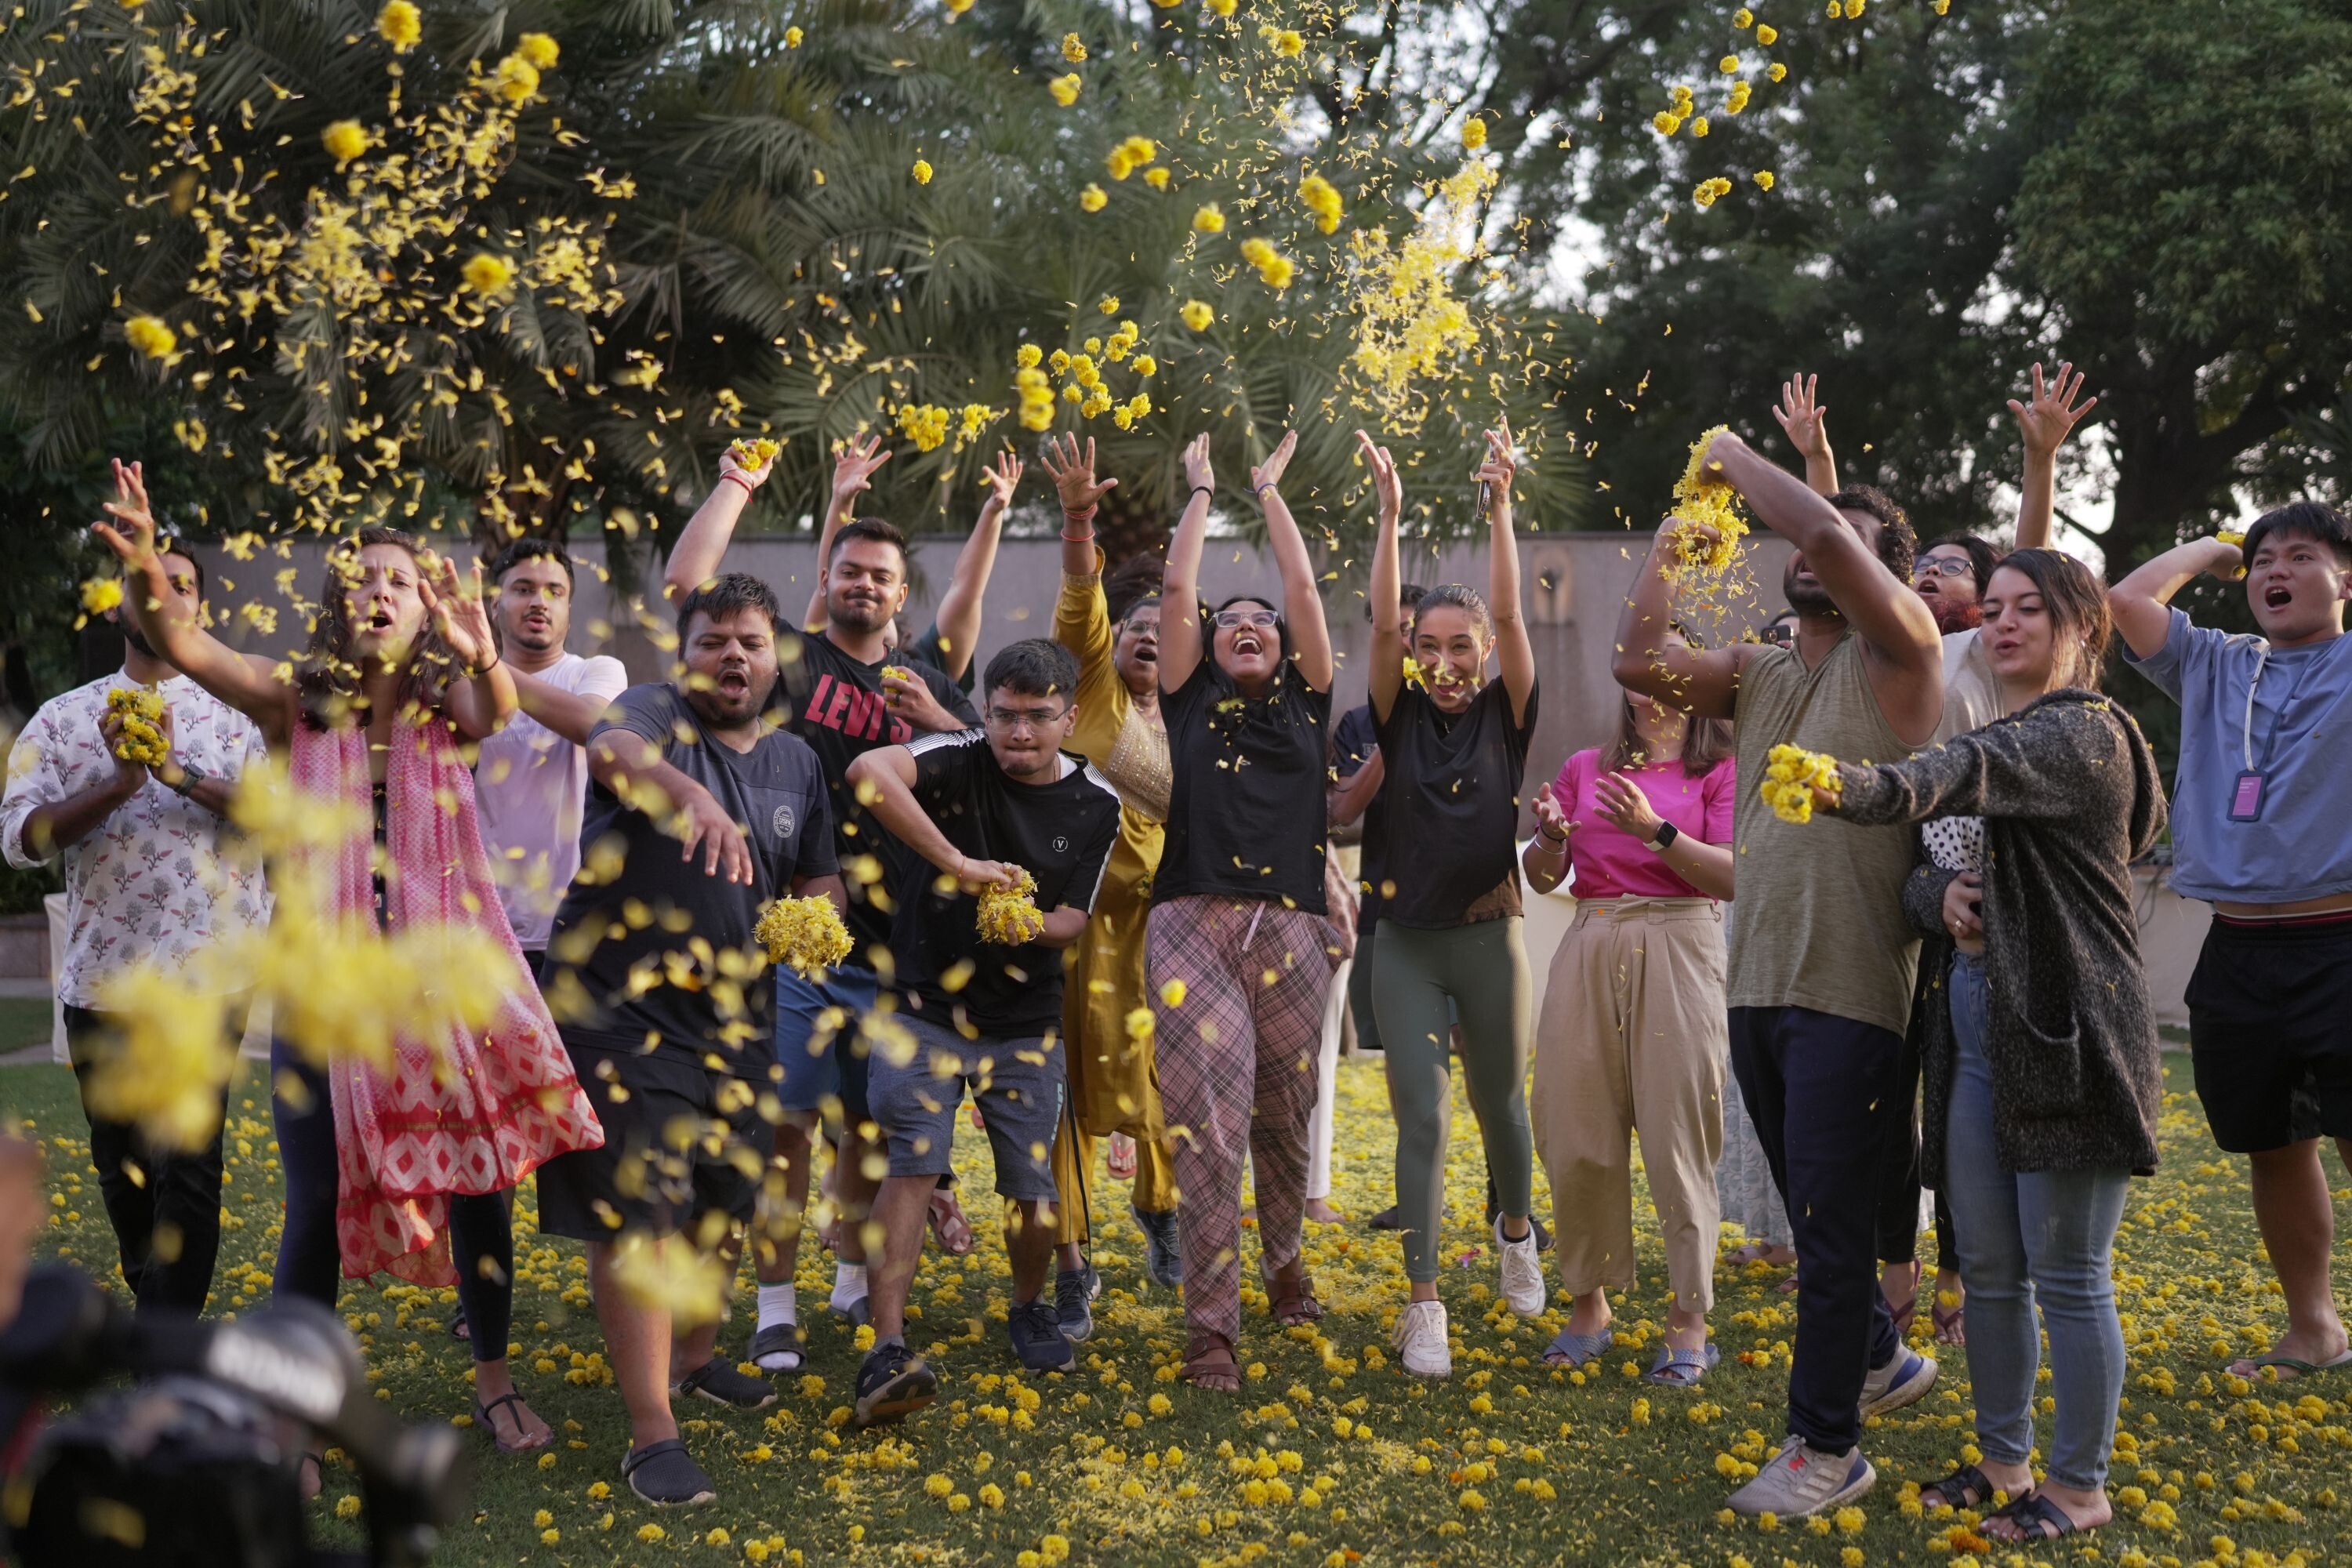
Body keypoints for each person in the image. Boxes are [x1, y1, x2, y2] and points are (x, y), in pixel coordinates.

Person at [91, 467, 601, 1482]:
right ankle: (295, 1416)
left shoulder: (446, 703)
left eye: (398, 581)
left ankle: (495, 1379)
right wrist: (146, 564)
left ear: (423, 605)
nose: (379, 592)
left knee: (479, 1186)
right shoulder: (296, 703)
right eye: (361, 579)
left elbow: (496, 706)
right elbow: (184, 644)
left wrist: (480, 645)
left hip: (444, 988)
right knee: (316, 1198)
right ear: (337, 603)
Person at [1613, 431, 1944, 1517]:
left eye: (1844, 540)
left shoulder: (1904, 648)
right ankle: (1882, 1355)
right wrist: (1673, 543)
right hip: (1756, 977)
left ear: (1884, 571)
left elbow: (1822, 530)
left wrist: (1728, 454)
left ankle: (1827, 1447)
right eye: (1803, 543)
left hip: (1852, 986)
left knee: (1831, 1233)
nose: (1811, 549)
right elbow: (1637, 662)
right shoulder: (1758, 670)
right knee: (1816, 1216)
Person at [1811, 549, 2165, 1543]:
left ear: (2080, 628)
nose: (2004, 623)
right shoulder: (1999, 735)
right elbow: (1919, 877)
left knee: (2071, 1272)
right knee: (1994, 1269)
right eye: (1995, 608)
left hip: (2070, 1025)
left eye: (2030, 609)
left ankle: (2080, 1486)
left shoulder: (2080, 730)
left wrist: (1849, 783)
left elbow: (1948, 777)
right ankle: (2007, 1460)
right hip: (1970, 1018)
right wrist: (1947, 897)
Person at [1779, 364, 2098, 1347]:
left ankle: (1970, 1277)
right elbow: (1842, 550)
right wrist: (1819, 462)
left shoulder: (1986, 660)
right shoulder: (1898, 651)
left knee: (1977, 1102)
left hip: (1996, 903)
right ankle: (1903, 1274)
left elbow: (2039, 571)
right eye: (1928, 566)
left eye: (1961, 570)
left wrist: (2040, 462)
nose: (1934, 579)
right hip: (1909, 885)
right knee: (1895, 1104)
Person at [661, 441, 989, 1371]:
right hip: (799, 937)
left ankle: (849, 1276)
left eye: (880, 575)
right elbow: (692, 587)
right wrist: (750, 487)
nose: (863, 583)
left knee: (870, 1126)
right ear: (828, 578)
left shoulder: (932, 685)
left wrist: (942, 724)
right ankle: (775, 1307)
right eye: (849, 569)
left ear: (901, 593)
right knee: (786, 1124)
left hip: (899, 946)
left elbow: (993, 773)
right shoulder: (795, 662)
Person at [535, 572, 846, 1506]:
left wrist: (816, 920)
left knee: (721, 1200)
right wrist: (688, 795)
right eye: (713, 640)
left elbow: (819, 877)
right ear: (686, 653)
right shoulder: (653, 713)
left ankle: (698, 1359)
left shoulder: (797, 762)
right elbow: (612, 751)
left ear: (776, 657)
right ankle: (651, 1433)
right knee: (643, 1215)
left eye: (750, 641)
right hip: (620, 1014)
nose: (732, 656)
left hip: (737, 1019)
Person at [842, 639, 1123, 1423]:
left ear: (1069, 716)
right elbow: (867, 773)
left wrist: (1019, 920)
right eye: (1004, 715)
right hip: (921, 1003)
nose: (1018, 733)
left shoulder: (1097, 802)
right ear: (987, 712)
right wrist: (960, 864)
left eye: (1038, 717)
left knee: (1030, 1185)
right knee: (913, 1160)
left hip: (1023, 1021)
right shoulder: (957, 754)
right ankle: (886, 1342)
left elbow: (1072, 919)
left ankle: (1029, 1305)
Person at [2111, 503, 2352, 1381]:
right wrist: (2214, 547)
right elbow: (2125, 601)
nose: (2275, 570)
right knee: (2271, 1142)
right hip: (2239, 946)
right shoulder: (2218, 662)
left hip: (2342, 940)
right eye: (2264, 559)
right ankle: (2314, 1328)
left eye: (2302, 556)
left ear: (2346, 579)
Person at [2, 540, 268, 1316]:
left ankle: (164, 1341)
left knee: (190, 1166)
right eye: (145, 584)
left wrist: (180, 773)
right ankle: (157, 1308)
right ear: (117, 604)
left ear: (200, 607)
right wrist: (117, 785)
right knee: (123, 1173)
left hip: (211, 977)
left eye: (180, 584)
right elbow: (18, 840)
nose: (162, 596)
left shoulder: (239, 716)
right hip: (102, 980)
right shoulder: (63, 718)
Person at [1149, 429, 1340, 1392]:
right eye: (1232, 621)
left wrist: (1269, 493)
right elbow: (1177, 589)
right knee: (1208, 1122)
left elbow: (1303, 588)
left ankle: (1285, 1261)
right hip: (1190, 922)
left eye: (1264, 620)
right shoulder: (1187, 699)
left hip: (1295, 925)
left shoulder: (1310, 700)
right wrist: (1201, 493)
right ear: (1211, 644)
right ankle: (1210, 1329)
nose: (1250, 625)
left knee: (1282, 1115)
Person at [1356, 424, 1543, 1377]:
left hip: (1489, 933)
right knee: (1422, 1119)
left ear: (1485, 650)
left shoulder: (1509, 712)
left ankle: (1516, 1230)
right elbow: (1381, 630)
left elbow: (1510, 610)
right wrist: (1390, 516)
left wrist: (1501, 507)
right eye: (1428, 646)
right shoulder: (1395, 710)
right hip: (1405, 942)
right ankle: (1424, 1302)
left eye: (1460, 646)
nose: (1444, 660)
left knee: (1502, 1103)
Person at [1523, 624, 1734, 1385]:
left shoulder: (1721, 770)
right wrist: (1551, 838)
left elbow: (1731, 875)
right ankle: (1590, 1305)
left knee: (1680, 1137)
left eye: (1668, 659)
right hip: (1592, 936)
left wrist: (1656, 830)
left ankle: (1689, 1319)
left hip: (1682, 940)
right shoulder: (1586, 767)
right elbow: (1544, 876)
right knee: (1574, 1128)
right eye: (1639, 662)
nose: (1650, 676)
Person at [1037, 437, 1186, 1313]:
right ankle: (1071, 1259)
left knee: (1158, 1077)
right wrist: (1078, 521)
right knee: (1064, 1088)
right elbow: (1080, 605)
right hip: (1068, 922)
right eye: (1136, 629)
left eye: (1166, 632)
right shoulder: (1092, 690)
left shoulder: (1196, 720)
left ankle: (1162, 1207)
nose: (1149, 639)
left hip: (1160, 934)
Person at [474, 538, 629, 973]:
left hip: (572, 928)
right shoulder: (464, 685)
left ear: (568, 609)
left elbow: (593, 726)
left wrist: (486, 664)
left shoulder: (596, 671)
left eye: (554, 592)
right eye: (523, 589)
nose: (539, 602)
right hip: (479, 929)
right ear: (494, 605)